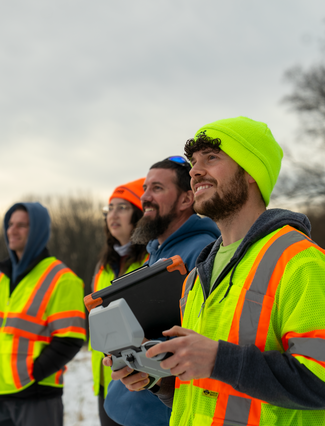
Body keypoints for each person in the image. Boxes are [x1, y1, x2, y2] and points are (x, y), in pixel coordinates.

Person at [120, 117, 325, 426]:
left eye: (212, 157)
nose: (195, 170)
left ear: (250, 173)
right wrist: (157, 380)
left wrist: (219, 359)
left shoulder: (302, 262)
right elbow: (205, 392)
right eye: (194, 162)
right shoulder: (196, 278)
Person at [104, 157, 220, 426]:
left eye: (157, 188)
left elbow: (202, 338)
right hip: (127, 409)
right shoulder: (156, 253)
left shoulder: (203, 252)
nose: (145, 197)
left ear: (186, 199)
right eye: (145, 188)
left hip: (162, 415)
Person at [0, 202, 86, 426]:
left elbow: (70, 340)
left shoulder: (62, 278)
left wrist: (33, 374)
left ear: (37, 232)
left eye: (22, 225)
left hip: (36, 397)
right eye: (10, 224)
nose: (12, 230)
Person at [90, 178, 149, 426]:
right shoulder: (103, 266)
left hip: (140, 381)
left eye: (122, 207)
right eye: (110, 208)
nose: (113, 214)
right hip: (106, 380)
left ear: (138, 214)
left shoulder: (150, 260)